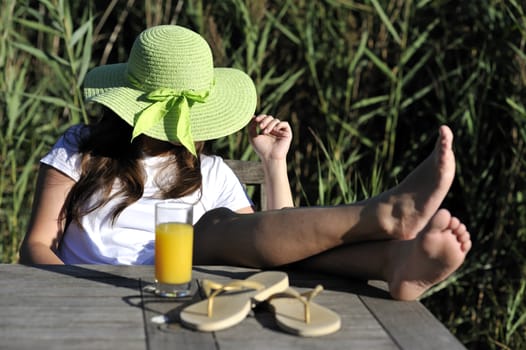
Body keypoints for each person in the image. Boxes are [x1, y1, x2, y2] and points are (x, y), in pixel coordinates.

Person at [19, 24, 471, 301]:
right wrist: (82, 291)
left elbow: (279, 242)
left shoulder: (211, 172)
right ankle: (387, 245)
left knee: (213, 227)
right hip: (91, 289)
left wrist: (274, 164)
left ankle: (395, 258)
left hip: (186, 289)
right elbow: (37, 244)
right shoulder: (82, 148)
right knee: (213, 227)